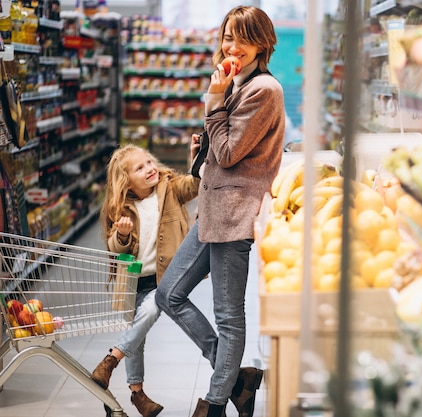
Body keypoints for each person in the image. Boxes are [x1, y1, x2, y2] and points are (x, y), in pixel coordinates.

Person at [155, 6, 285, 417]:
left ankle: (214, 404)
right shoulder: (235, 83)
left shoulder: (265, 90)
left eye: (243, 39)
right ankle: (237, 381)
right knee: (168, 293)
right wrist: (202, 150)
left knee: (228, 315)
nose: (232, 47)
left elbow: (229, 153)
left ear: (262, 44)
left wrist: (213, 103)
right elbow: (221, 148)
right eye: (228, 37)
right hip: (213, 210)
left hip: (236, 213)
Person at [91, 143, 200, 417]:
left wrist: (195, 160)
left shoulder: (170, 187)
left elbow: (195, 185)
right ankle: (138, 395)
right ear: (126, 181)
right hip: (131, 284)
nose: (150, 169)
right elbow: (116, 249)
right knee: (136, 341)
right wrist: (124, 235)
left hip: (162, 279)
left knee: (151, 309)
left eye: (149, 162)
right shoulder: (120, 208)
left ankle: (111, 359)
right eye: (140, 168)